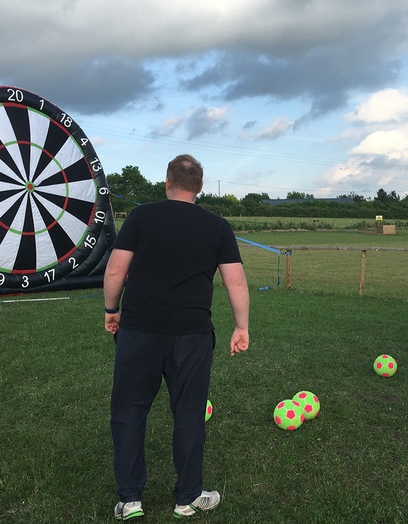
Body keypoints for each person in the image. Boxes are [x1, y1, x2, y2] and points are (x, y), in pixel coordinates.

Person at [103, 154, 250, 520]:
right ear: (199, 187)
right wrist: (241, 326)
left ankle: (131, 499)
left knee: (129, 411)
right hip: (192, 336)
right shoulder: (218, 225)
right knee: (188, 415)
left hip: (138, 331)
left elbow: (115, 269)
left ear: (167, 183)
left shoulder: (140, 217)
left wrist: (111, 309)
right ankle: (187, 497)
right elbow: (236, 281)